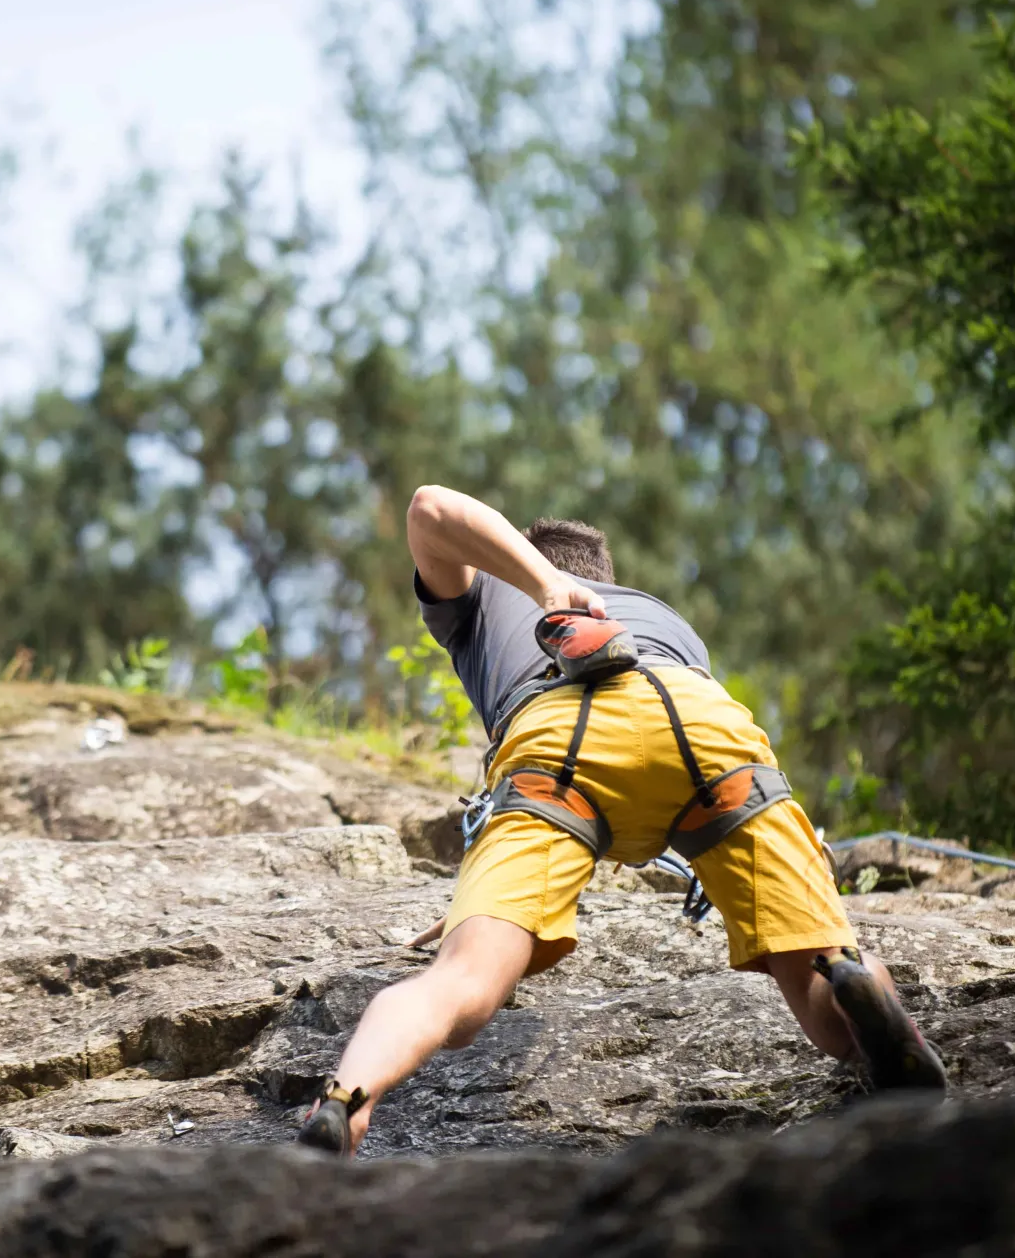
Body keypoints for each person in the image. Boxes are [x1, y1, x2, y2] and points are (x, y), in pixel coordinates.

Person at [296, 484, 945, 1156]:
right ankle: (853, 976)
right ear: (610, 581)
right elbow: (650, 764)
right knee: (826, 1012)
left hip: (559, 743)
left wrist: (542, 584)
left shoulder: (491, 596)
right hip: (705, 724)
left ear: (509, 558)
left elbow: (430, 506)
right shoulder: (665, 620)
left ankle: (346, 1101)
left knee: (459, 984)